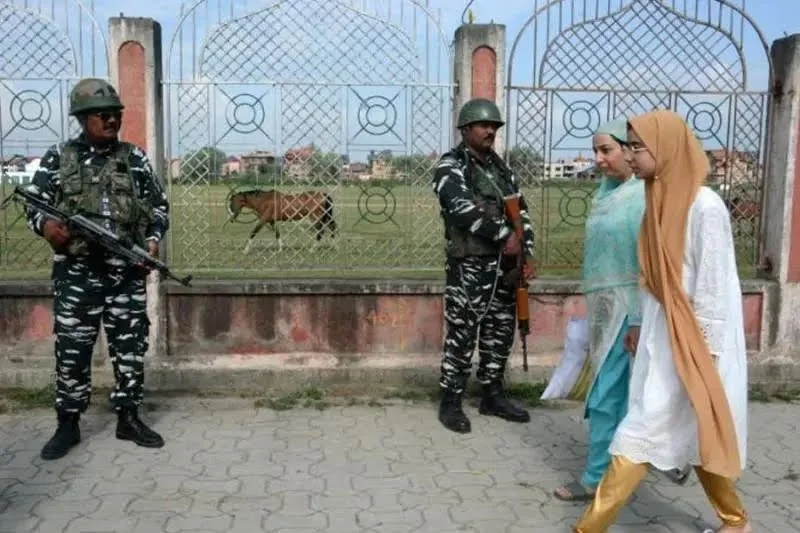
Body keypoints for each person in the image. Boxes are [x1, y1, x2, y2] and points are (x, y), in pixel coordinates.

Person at [573, 109, 750, 533]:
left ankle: (588, 528)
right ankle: (736, 521)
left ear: (666, 148)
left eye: (638, 147)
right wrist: (641, 322)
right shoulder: (657, 199)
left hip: (694, 344)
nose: (631, 155)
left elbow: (713, 285)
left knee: (641, 431)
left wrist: (704, 355)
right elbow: (649, 278)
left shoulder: (703, 206)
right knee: (688, 430)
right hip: (662, 335)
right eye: (630, 146)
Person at [24, 78, 170, 460]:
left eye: (115, 114)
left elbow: (158, 206)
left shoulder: (134, 158)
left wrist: (152, 241)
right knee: (72, 351)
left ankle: (128, 417)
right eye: (102, 115)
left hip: (126, 274)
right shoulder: (59, 157)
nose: (111, 120)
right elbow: (33, 204)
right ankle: (68, 424)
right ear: (82, 118)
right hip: (77, 274)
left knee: (130, 348)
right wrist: (46, 227)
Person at [554, 119, 690, 502]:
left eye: (607, 150)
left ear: (630, 152)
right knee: (628, 392)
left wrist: (636, 319)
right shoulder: (607, 195)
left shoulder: (642, 199)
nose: (598, 159)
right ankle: (657, 458)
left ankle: (597, 478)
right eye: (595, 151)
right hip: (604, 310)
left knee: (606, 396)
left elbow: (647, 263)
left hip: (629, 313)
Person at [432, 98, 535, 434]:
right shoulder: (450, 166)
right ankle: (451, 401)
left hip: (505, 268)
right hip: (470, 268)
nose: (490, 131)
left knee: (500, 333)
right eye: (483, 125)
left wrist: (526, 251)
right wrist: (504, 235)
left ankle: (493, 396)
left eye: (494, 126)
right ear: (465, 129)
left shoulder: (502, 171)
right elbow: (461, 209)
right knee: (462, 334)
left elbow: (522, 212)